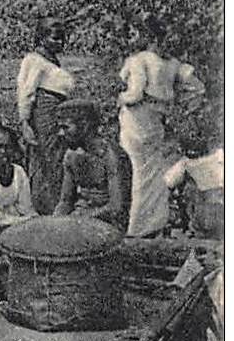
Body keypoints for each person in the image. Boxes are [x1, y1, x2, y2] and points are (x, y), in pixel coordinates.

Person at [117, 18, 206, 238]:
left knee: (133, 169)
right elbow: (197, 89)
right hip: (156, 123)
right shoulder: (173, 64)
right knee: (152, 173)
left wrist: (121, 97)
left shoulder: (139, 60)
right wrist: (181, 105)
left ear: (149, 38)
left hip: (136, 120)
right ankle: (153, 222)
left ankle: (133, 226)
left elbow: (135, 93)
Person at [17, 18, 77, 215]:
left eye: (63, 39)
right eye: (55, 38)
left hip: (58, 110)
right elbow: (26, 92)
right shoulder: (34, 60)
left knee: (58, 156)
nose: (60, 43)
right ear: (42, 38)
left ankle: (56, 204)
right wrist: (25, 122)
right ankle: (45, 206)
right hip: (44, 111)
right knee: (47, 156)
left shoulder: (52, 61)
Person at [52, 100, 130, 229]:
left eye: (66, 127)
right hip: (79, 220)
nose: (60, 133)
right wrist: (54, 222)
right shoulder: (71, 156)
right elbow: (65, 201)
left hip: (107, 225)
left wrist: (78, 221)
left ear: (85, 125)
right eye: (59, 127)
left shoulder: (111, 156)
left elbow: (116, 207)